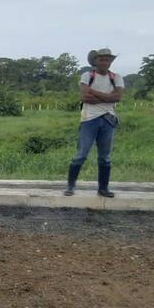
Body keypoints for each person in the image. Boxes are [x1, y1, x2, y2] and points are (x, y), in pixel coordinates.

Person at [64, 48, 125, 198]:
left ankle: (103, 189)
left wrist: (95, 93)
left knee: (105, 156)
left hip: (108, 119)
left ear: (111, 61)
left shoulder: (116, 77)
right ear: (96, 61)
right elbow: (85, 97)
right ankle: (70, 186)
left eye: (107, 59)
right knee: (81, 154)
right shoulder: (87, 75)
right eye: (101, 59)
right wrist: (108, 97)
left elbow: (118, 98)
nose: (104, 62)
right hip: (89, 119)